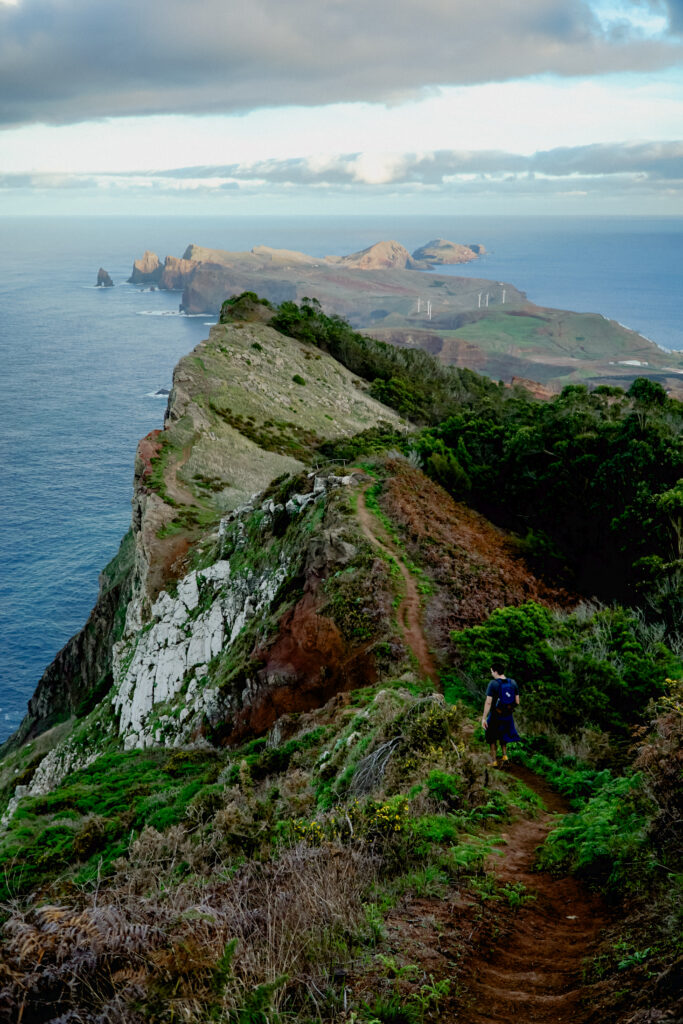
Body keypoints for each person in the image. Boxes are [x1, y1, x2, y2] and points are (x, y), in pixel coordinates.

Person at [481, 662, 520, 767]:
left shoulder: (493, 684)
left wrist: (484, 718)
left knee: (491, 736)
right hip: (507, 715)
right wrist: (508, 709)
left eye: (492, 671)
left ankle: (494, 761)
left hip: (495, 715)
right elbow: (517, 701)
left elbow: (488, 702)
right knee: (504, 734)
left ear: (496, 671)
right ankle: (504, 756)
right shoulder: (513, 683)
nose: (492, 674)